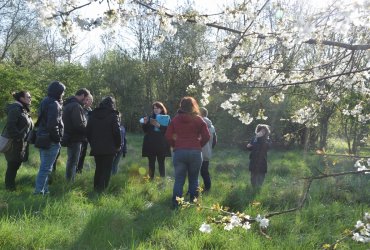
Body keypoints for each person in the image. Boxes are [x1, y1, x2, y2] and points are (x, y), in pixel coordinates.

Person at [165, 97, 210, 208]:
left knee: (179, 179)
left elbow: (167, 135)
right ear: (193, 105)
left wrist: (175, 145)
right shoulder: (199, 119)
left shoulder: (175, 119)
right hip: (195, 152)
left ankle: (176, 204)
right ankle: (194, 203)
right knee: (194, 179)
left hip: (179, 152)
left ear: (181, 106)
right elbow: (207, 136)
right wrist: (199, 145)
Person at [34, 81, 66, 195]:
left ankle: (45, 190)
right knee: (46, 168)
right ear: (59, 92)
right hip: (50, 140)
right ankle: (38, 192)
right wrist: (57, 139)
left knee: (46, 167)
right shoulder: (55, 104)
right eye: (62, 92)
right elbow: (53, 125)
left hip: (42, 137)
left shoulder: (45, 101)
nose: (63, 94)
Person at [87, 96, 121, 192]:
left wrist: (92, 143)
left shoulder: (93, 114)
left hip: (96, 147)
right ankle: (102, 191)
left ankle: (96, 189)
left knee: (99, 168)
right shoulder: (113, 115)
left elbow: (88, 131)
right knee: (107, 169)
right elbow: (116, 132)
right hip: (110, 147)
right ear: (112, 104)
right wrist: (118, 145)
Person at [2, 91, 33, 191]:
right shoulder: (16, 108)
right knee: (13, 164)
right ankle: (9, 188)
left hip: (20, 143)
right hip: (14, 143)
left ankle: (10, 186)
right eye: (28, 97)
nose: (30, 98)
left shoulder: (22, 109)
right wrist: (18, 138)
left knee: (15, 164)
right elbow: (11, 126)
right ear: (21, 98)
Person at [62, 88, 90, 181]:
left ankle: (68, 181)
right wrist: (88, 130)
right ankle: (69, 182)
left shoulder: (70, 104)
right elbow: (78, 124)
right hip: (75, 138)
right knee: (73, 161)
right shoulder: (76, 106)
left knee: (71, 161)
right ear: (82, 95)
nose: (86, 102)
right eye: (86, 99)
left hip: (70, 136)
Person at [141, 101, 171, 180]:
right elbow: (145, 131)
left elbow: (169, 131)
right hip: (151, 144)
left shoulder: (166, 118)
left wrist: (159, 126)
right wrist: (144, 123)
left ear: (161, 109)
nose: (155, 110)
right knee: (151, 164)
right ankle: (150, 180)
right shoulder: (150, 118)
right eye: (154, 108)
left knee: (161, 164)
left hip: (161, 144)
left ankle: (162, 181)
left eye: (157, 108)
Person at [246, 124, 271, 189]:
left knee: (261, 176)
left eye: (263, 131)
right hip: (253, 160)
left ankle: (259, 189)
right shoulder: (254, 139)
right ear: (258, 131)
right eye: (260, 131)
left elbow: (266, 147)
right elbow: (250, 147)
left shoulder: (267, 140)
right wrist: (248, 146)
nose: (261, 132)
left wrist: (259, 138)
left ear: (266, 132)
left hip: (262, 161)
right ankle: (253, 189)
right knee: (253, 176)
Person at [199, 107, 217, 192]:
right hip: (207, 152)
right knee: (205, 171)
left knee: (194, 172)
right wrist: (209, 148)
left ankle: (194, 190)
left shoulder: (198, 123)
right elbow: (215, 141)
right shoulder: (212, 126)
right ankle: (208, 188)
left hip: (197, 151)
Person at [76, 93, 93, 174]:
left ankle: (79, 170)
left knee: (83, 154)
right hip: (79, 136)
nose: (88, 102)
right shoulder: (80, 109)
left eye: (90, 100)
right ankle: (74, 171)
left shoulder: (90, 111)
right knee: (77, 154)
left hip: (86, 137)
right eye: (87, 100)